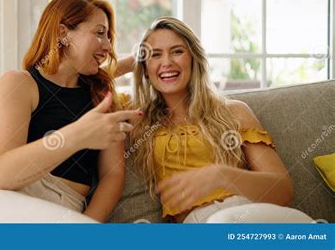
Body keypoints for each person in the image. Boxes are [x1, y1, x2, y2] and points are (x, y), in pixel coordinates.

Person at [0, 0, 141, 223]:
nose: (108, 46)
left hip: (64, 212)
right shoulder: (20, 84)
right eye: (100, 33)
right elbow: (1, 175)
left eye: (108, 36)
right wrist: (79, 135)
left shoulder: (101, 96)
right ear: (63, 34)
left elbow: (113, 176)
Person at [127, 17, 313, 223]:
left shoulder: (234, 112)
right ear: (144, 68)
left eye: (177, 51)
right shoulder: (139, 119)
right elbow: (92, 79)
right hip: (202, 226)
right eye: (155, 55)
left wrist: (222, 176)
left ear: (194, 58)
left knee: (225, 222)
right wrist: (136, 61)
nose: (167, 62)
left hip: (254, 215)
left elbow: (283, 191)